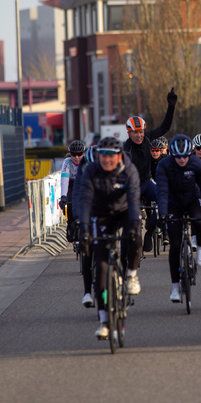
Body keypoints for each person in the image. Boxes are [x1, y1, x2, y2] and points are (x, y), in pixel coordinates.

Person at [79, 137, 142, 340]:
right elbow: (86, 200)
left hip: (124, 210)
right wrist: (84, 228)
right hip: (101, 213)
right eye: (103, 155)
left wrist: (133, 226)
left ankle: (131, 274)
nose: (107, 159)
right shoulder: (91, 171)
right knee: (102, 266)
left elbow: (133, 199)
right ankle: (104, 321)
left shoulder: (129, 170)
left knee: (135, 237)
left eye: (111, 155)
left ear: (119, 155)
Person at [156, 134, 201, 302]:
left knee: (198, 219)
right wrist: (162, 213)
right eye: (178, 156)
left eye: (185, 156)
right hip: (173, 202)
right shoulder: (164, 166)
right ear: (172, 155)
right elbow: (162, 191)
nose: (182, 159)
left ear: (190, 153)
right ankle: (175, 288)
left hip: (192, 199)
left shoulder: (195, 162)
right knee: (174, 245)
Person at [124, 88, 177, 252]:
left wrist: (171, 106)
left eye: (140, 132)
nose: (139, 136)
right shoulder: (126, 149)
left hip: (147, 184)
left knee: (166, 200)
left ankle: (151, 231)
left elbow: (165, 127)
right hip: (133, 187)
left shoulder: (148, 138)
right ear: (129, 133)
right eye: (135, 133)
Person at [72, 145, 99, 308]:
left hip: (105, 210)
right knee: (87, 247)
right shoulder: (83, 170)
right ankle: (87, 291)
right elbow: (77, 195)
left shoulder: (110, 169)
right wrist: (78, 219)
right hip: (88, 210)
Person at [59, 140, 85, 242]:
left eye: (79, 154)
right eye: (74, 155)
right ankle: (70, 225)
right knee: (70, 204)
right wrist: (63, 197)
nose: (77, 157)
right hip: (71, 185)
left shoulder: (87, 161)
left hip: (83, 184)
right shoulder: (67, 162)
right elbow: (64, 180)